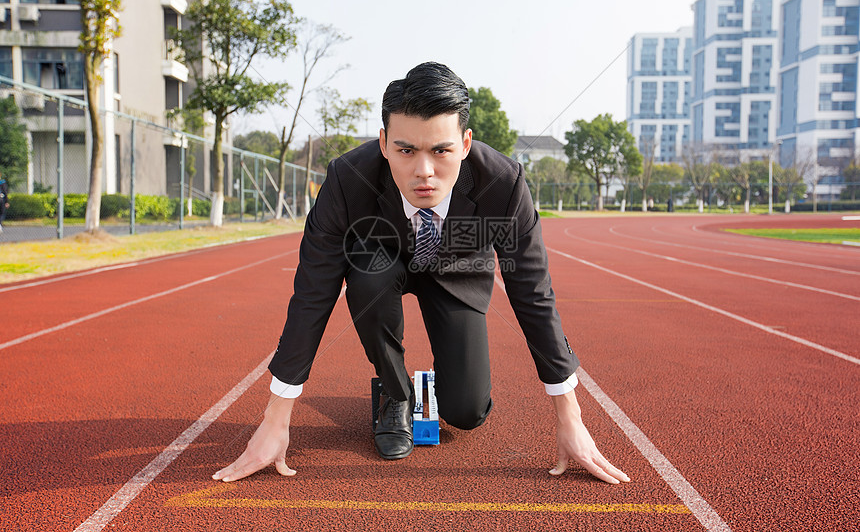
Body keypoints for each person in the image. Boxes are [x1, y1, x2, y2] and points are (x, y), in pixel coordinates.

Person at [213, 62, 629, 485]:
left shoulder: (503, 183)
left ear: (465, 144)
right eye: (406, 150)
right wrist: (275, 419)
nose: (424, 171)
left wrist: (570, 417)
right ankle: (394, 391)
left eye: (441, 151)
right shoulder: (346, 180)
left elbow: (533, 292)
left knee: (466, 412)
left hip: (457, 269)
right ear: (384, 143)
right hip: (381, 256)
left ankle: (443, 390)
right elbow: (312, 293)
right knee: (368, 276)